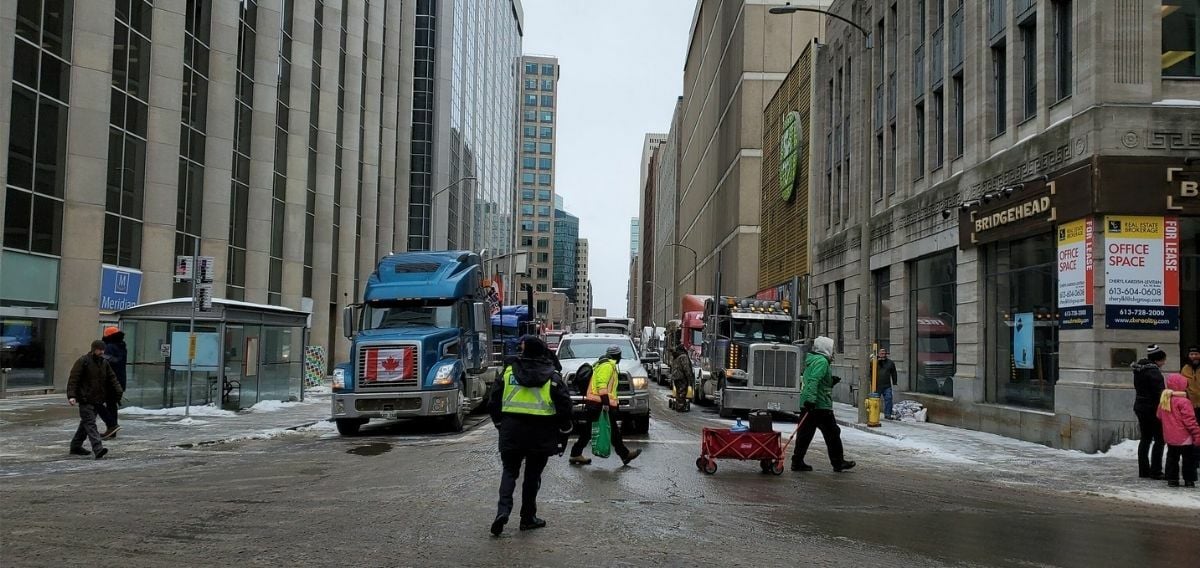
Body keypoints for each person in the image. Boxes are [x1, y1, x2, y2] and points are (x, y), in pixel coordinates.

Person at [487, 335, 572, 536]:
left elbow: (493, 401)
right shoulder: (552, 376)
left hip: (511, 430)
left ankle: (503, 511)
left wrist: (500, 423)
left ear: (523, 351)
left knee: (509, 472)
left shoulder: (509, 372)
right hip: (540, 433)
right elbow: (565, 406)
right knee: (532, 476)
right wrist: (563, 429)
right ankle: (527, 517)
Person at [568, 345, 642, 466]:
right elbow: (602, 385)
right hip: (599, 404)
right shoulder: (607, 366)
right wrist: (606, 403)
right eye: (619, 355)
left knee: (606, 430)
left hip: (596, 403)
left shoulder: (605, 365)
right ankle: (624, 455)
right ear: (617, 355)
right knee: (605, 430)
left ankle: (624, 455)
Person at [792, 336, 855, 473]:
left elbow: (815, 380)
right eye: (832, 349)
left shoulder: (814, 360)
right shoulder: (822, 361)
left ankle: (797, 461)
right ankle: (838, 462)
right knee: (832, 433)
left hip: (812, 403)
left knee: (805, 434)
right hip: (819, 405)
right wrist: (811, 400)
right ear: (825, 348)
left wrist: (830, 381)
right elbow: (813, 380)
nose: (833, 352)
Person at [66, 340, 124, 460]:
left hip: (98, 400)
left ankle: (75, 446)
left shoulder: (104, 363)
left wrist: (118, 391)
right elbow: (73, 379)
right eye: (99, 350)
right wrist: (72, 396)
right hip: (85, 399)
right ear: (93, 349)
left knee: (85, 424)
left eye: (103, 350)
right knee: (90, 424)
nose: (102, 352)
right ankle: (98, 449)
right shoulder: (83, 361)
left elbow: (112, 378)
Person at [1157, 373, 1200, 488]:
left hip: (1170, 437)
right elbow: (1190, 420)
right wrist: (1197, 433)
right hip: (1185, 437)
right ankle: (1189, 480)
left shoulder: (1165, 400)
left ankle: (1172, 479)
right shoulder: (1184, 402)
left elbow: (1159, 416)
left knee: (1172, 458)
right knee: (1188, 460)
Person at [1133, 345, 1168, 479]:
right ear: (1157, 360)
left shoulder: (1139, 370)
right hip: (1152, 409)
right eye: (1163, 360)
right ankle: (1156, 471)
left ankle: (1144, 470)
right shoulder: (1154, 372)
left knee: (1145, 439)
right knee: (1159, 439)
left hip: (1140, 407)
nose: (1164, 363)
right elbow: (1160, 393)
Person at [99, 326, 128, 439]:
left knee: (99, 404)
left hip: (111, 381)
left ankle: (112, 425)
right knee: (112, 405)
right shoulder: (122, 346)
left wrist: (103, 357)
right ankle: (112, 428)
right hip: (120, 381)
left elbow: (109, 363)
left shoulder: (110, 347)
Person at [875, 348, 898, 419]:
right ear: (878, 354)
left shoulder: (890, 363)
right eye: (881, 354)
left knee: (889, 399)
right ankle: (874, 414)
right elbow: (869, 371)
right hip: (876, 385)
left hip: (886, 385)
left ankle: (888, 414)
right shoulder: (874, 362)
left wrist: (895, 381)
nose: (883, 355)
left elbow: (894, 372)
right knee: (875, 401)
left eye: (884, 354)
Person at [670, 344, 693, 410]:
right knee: (682, 392)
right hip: (682, 377)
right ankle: (680, 406)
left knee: (678, 391)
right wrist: (689, 377)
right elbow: (686, 368)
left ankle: (678, 405)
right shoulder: (683, 356)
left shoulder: (676, 356)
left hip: (676, 376)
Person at [1181, 345, 1200, 414]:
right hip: (1190, 404)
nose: (1194, 356)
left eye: (1196, 354)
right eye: (1191, 354)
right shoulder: (1185, 369)